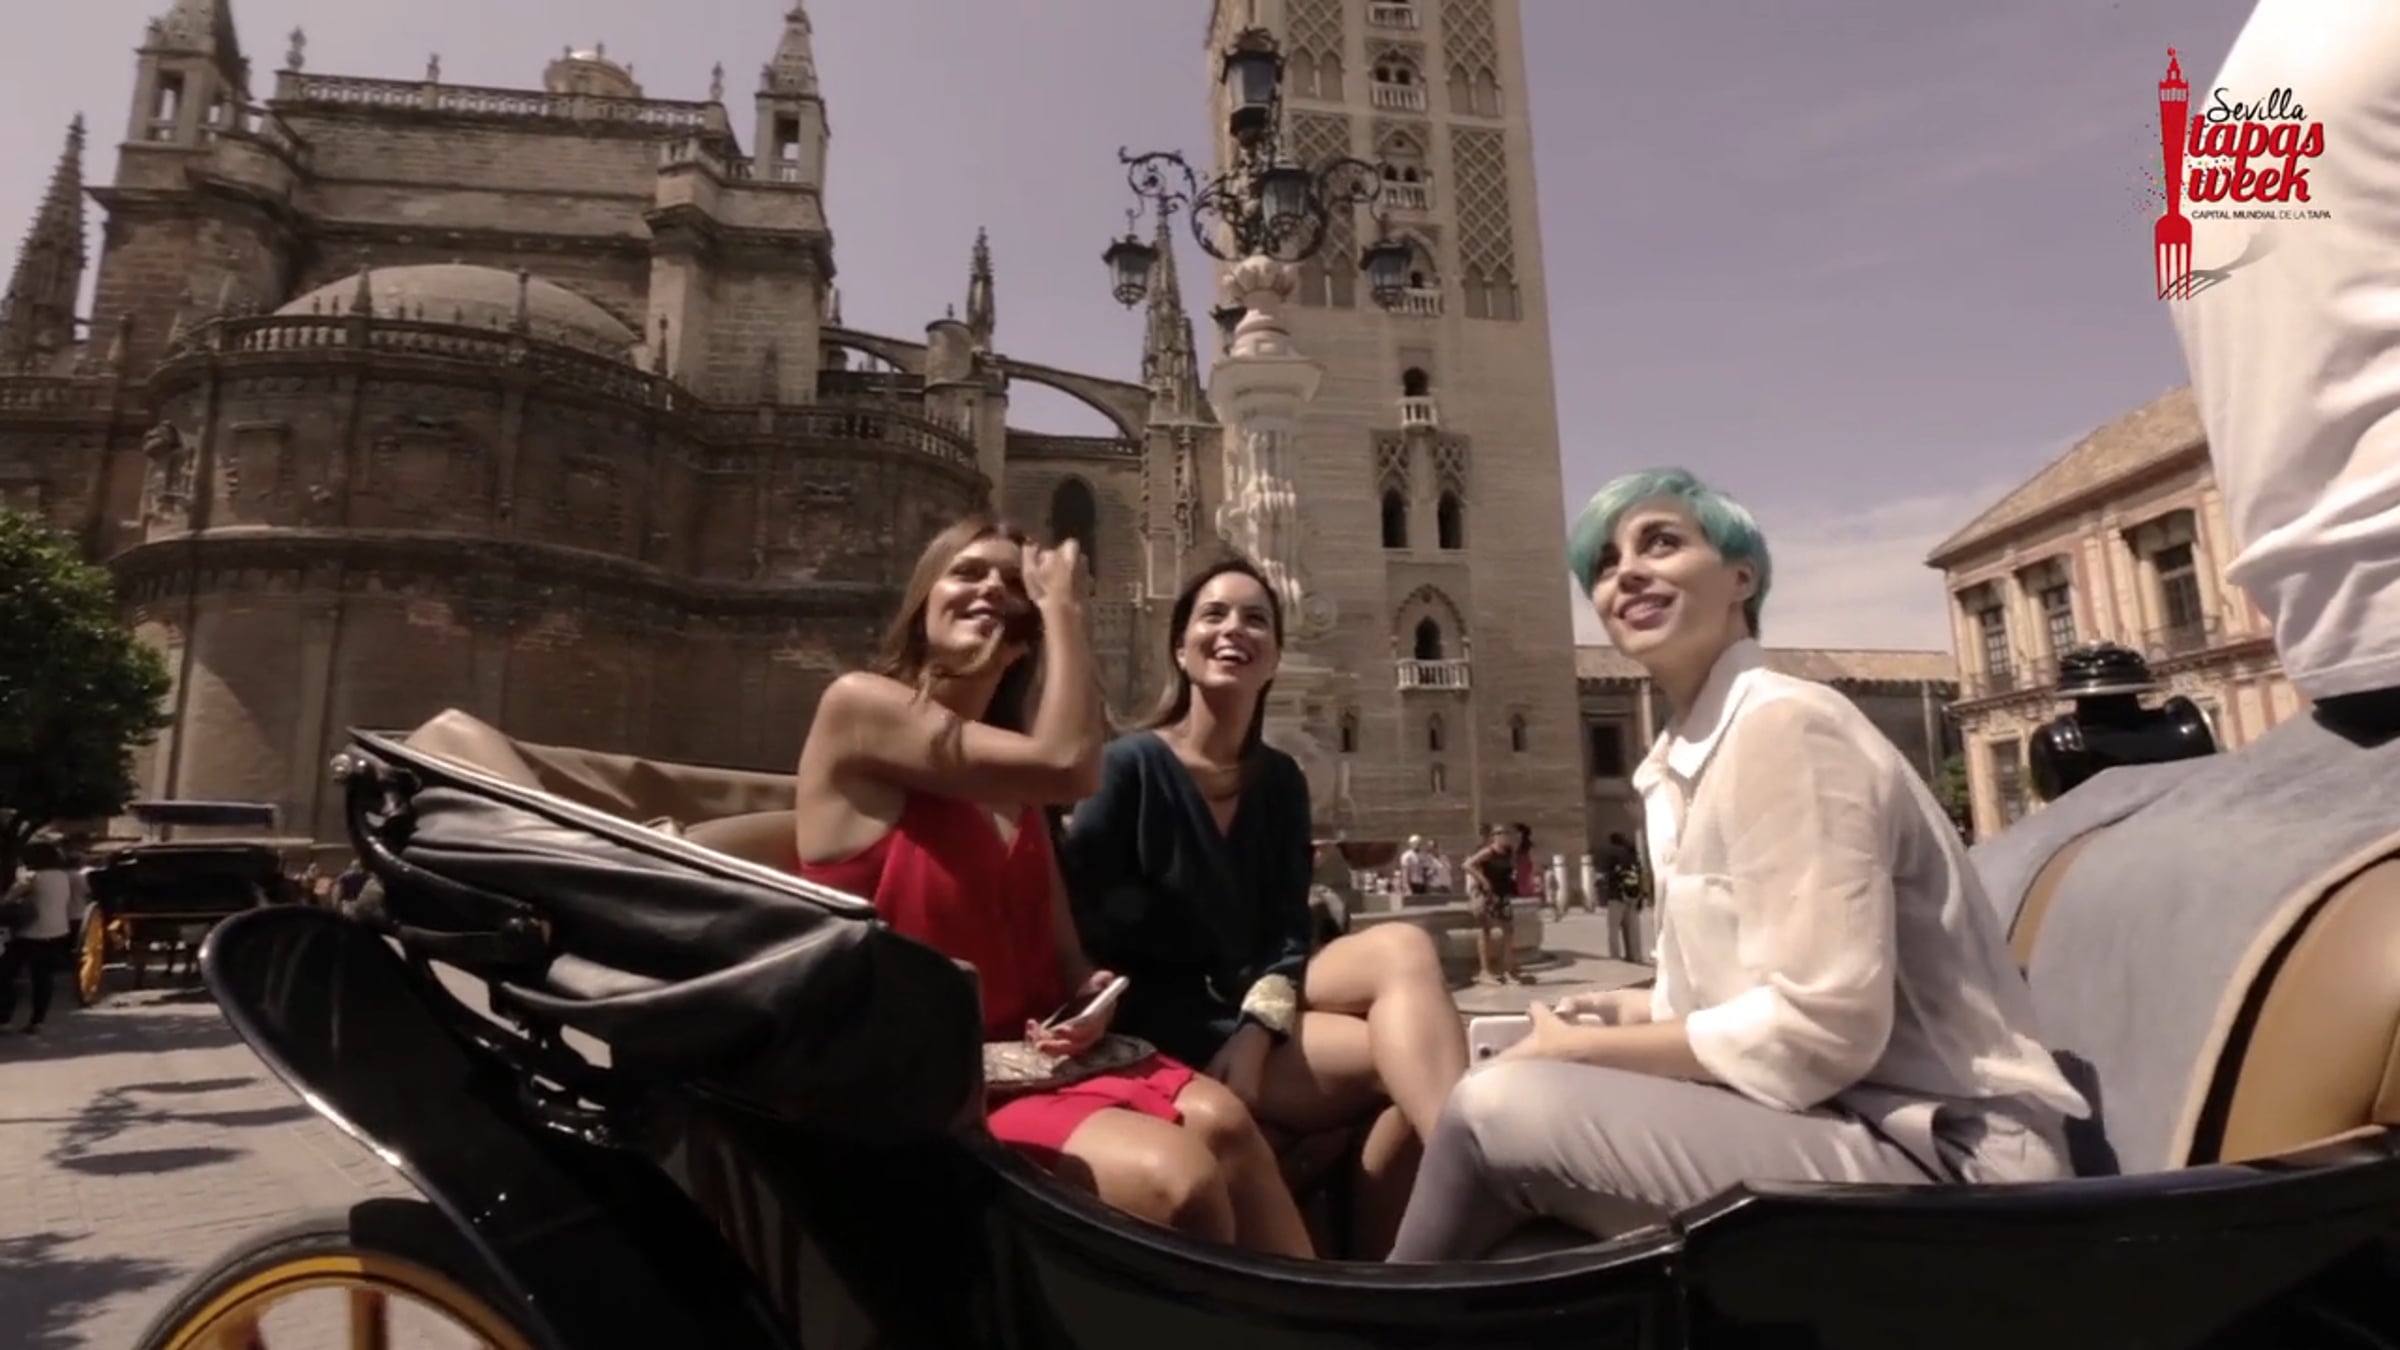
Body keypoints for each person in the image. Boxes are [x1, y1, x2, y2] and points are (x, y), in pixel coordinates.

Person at [1386, 468, 2090, 1262]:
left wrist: (1576, 1052)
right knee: (1508, 1216)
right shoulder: (1681, 763)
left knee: (1493, 1109)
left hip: (1945, 1159)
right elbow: (1748, 998)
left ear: (1741, 577)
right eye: (1605, 565)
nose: (1627, 574)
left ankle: (1372, 1316)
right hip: (1838, 1121)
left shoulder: (1788, 729)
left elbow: (1822, 1029)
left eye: (1661, 543)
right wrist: (1627, 1014)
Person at [791, 517, 1311, 1257]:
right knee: (1181, 1180)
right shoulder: (859, 707)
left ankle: (1337, 1311)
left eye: (1013, 585)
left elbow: (1068, 957)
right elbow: (1072, 764)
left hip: (1045, 1064)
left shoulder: (1014, 778)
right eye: (967, 573)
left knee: (1227, 1124)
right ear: (923, 598)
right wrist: (1065, 608)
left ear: (1023, 637)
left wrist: (1089, 997)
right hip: (932, 1082)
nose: (990, 591)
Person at [1060, 555, 1470, 1257]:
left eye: (1255, 619)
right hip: (1162, 1020)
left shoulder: (1279, 780)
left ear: (1275, 655)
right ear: (1181, 648)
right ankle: (1443, 1210)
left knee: (1404, 947)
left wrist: (1256, 1030)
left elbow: (1286, 931)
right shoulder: (1129, 767)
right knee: (1403, 1061)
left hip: (1253, 1003)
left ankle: (1454, 1191)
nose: (1233, 629)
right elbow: (1083, 924)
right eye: (1213, 615)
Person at [0, 842, 88, 1034]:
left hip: (30, 933)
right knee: (42, 977)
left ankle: (4, 1018)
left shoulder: (32, 877)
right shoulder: (63, 877)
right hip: (56, 932)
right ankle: (37, 1020)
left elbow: (8, 899)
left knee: (5, 974)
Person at [1460, 823, 1525, 985]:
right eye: (1499, 833)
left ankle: (1508, 969)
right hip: (1488, 895)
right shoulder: (1489, 851)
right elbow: (1467, 865)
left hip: (1502, 895)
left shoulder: (1508, 851)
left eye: (1506, 833)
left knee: (1508, 930)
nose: (1504, 836)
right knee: (1486, 931)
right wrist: (1483, 880)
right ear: (1494, 837)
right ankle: (1485, 971)